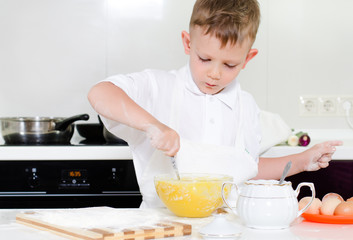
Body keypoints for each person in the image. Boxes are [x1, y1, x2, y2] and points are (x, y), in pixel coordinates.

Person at [88, 0, 342, 207]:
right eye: (205, 58)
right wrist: (153, 126)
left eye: (229, 64)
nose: (214, 73)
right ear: (188, 43)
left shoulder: (246, 106)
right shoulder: (159, 87)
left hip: (230, 228)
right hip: (163, 228)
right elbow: (100, 92)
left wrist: (300, 160)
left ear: (247, 58)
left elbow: (246, 169)